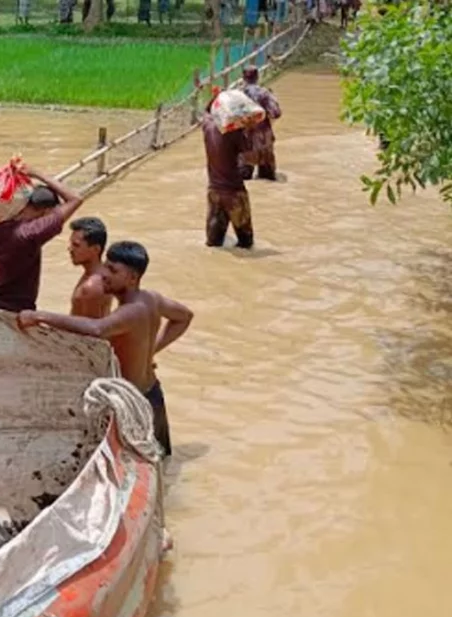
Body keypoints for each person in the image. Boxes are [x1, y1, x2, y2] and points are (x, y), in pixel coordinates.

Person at [17, 241, 193, 456]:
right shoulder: (152, 299)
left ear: (132, 278)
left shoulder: (131, 311)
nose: (103, 274)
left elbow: (97, 329)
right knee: (162, 465)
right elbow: (184, 317)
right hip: (153, 395)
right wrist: (152, 350)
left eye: (113, 270)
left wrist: (39, 316)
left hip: (133, 404)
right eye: (105, 266)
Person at [0, 162, 86, 313]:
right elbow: (75, 199)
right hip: (15, 310)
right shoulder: (31, 232)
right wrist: (36, 173)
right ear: (45, 212)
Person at [202, 90, 254, 249]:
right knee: (246, 244)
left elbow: (206, 111)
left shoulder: (207, 125)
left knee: (213, 243)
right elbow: (249, 155)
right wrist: (248, 128)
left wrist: (216, 97)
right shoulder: (235, 133)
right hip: (234, 192)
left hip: (214, 191)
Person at [239, 67, 283, 182]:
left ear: (243, 78)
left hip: (245, 143)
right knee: (267, 179)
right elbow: (276, 113)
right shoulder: (265, 93)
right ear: (257, 77)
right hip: (264, 141)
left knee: (243, 180)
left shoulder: (238, 95)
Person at [67, 217, 113, 319]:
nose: (70, 249)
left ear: (96, 249)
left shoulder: (92, 286)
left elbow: (89, 330)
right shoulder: (101, 274)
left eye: (76, 245)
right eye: (71, 243)